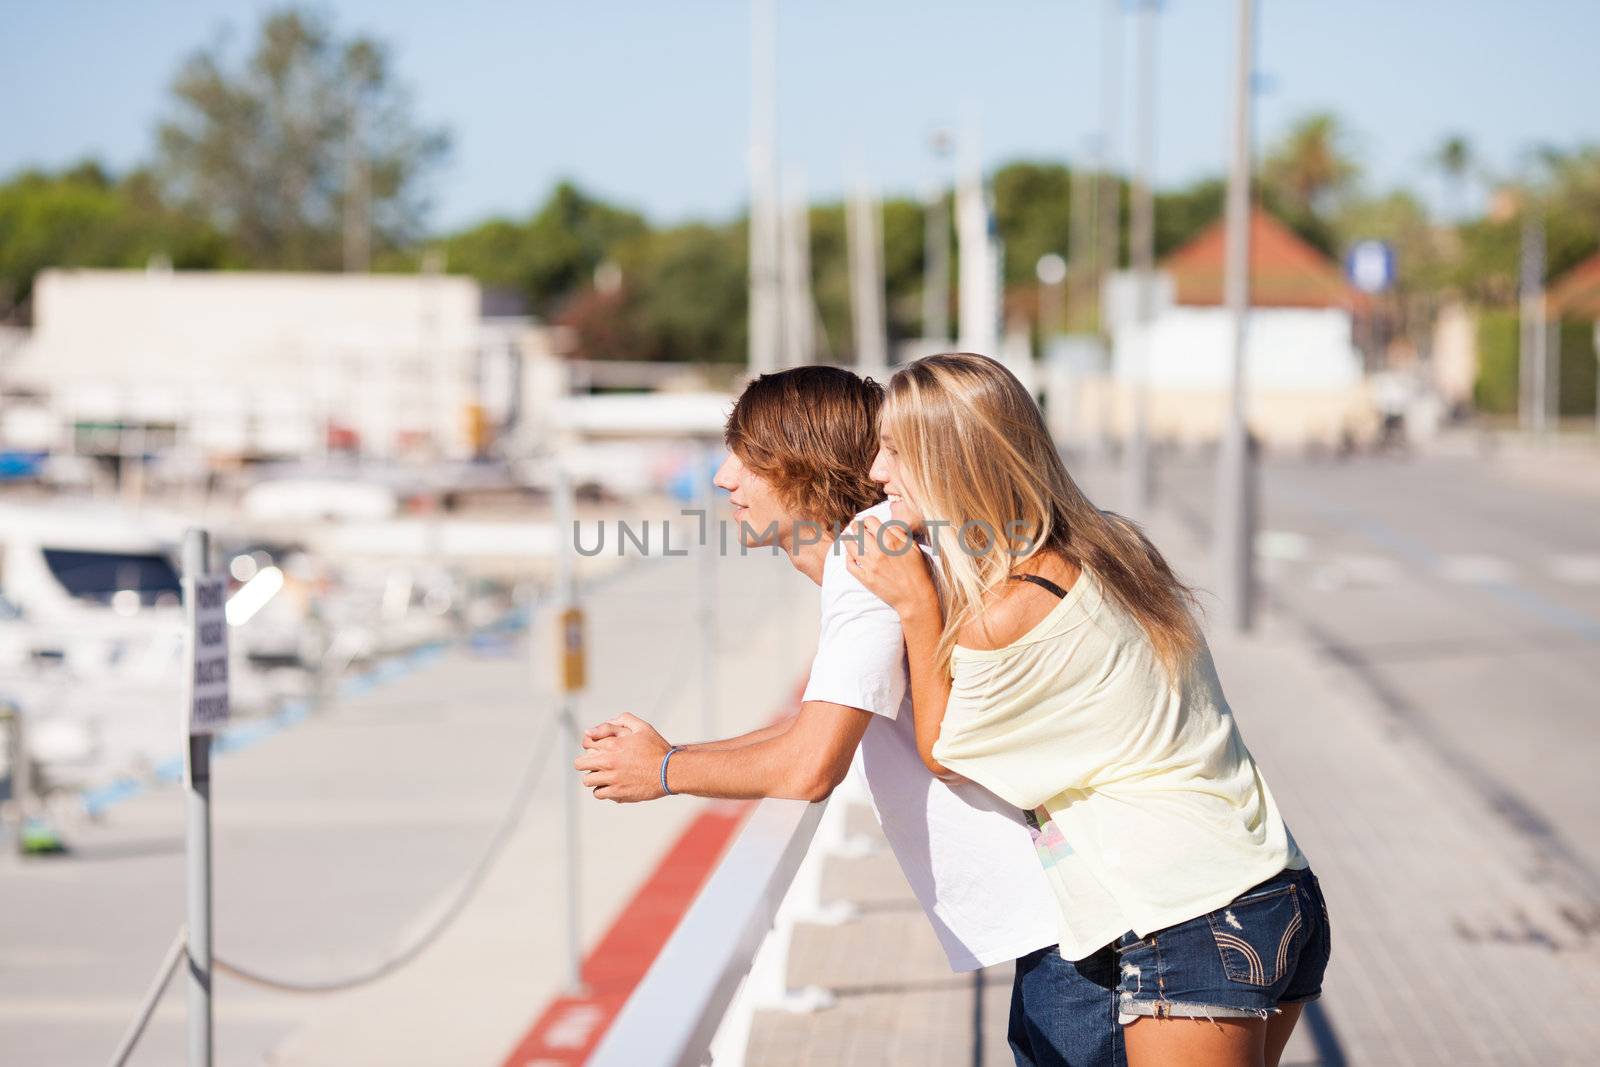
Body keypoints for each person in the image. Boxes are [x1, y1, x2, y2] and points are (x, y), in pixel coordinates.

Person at [574, 366, 1123, 1065]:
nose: (723, 477)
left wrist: (665, 768)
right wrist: (674, 747)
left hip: (1083, 930)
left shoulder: (869, 556)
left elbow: (811, 765)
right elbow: (818, 723)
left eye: (746, 455)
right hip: (1075, 917)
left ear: (804, 466)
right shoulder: (882, 549)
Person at [844, 353, 1331, 1067]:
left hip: (1187, 915)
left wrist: (915, 604)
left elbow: (945, 749)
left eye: (892, 450)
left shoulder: (1012, 608)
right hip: (1273, 887)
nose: (877, 473)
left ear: (948, 458)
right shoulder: (1109, 543)